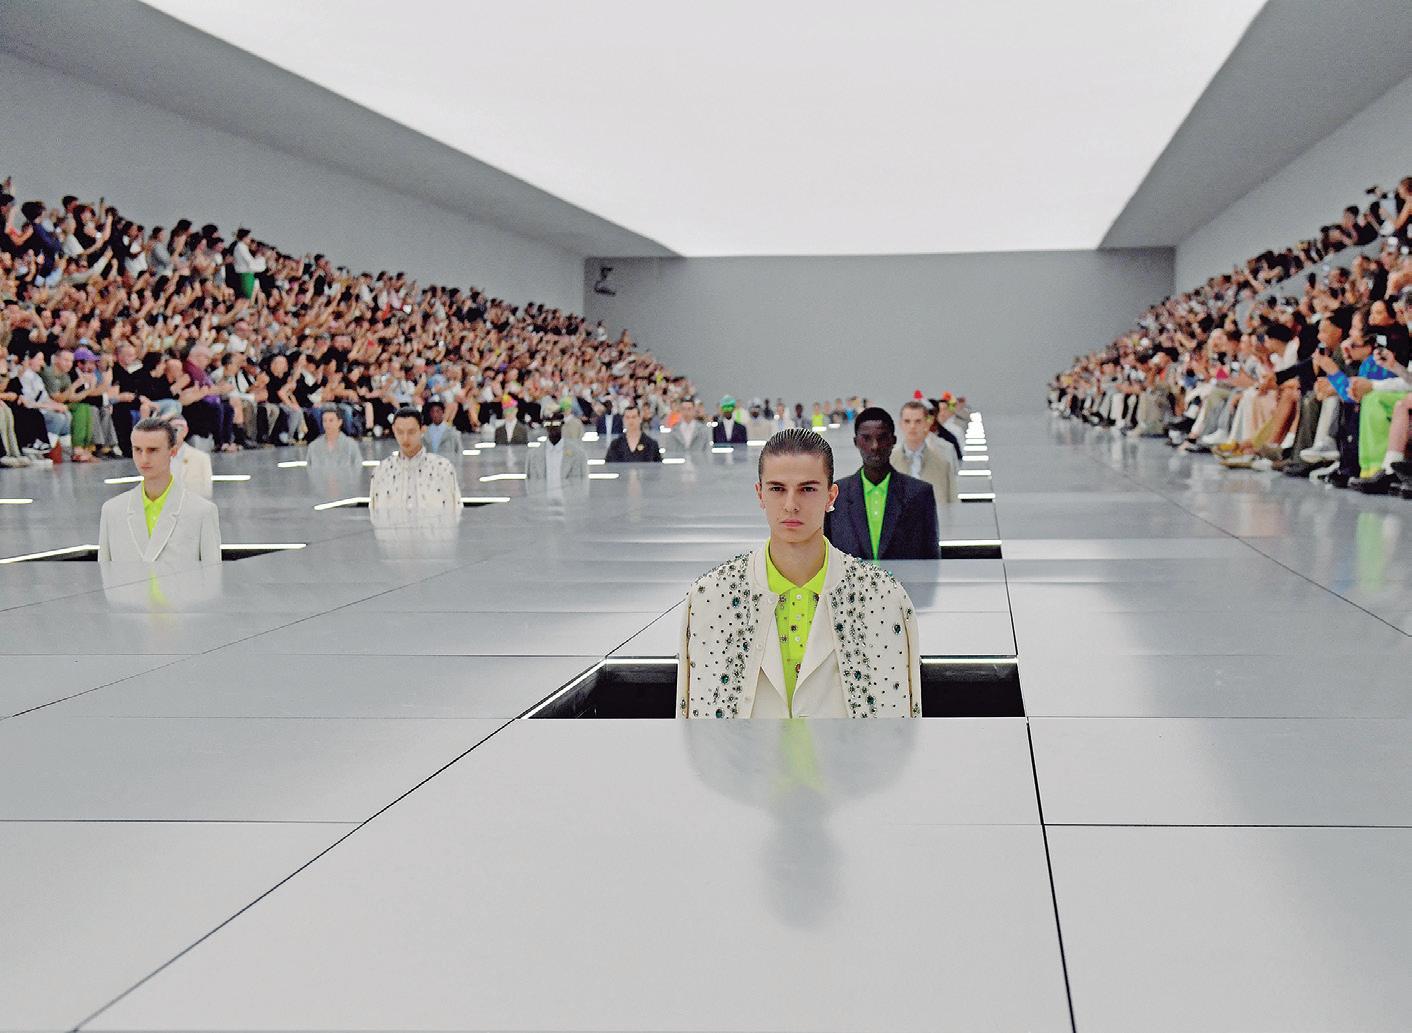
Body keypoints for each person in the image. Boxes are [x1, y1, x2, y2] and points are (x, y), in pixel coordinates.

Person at [676, 428, 922, 719]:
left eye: (807, 489)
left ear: (831, 496)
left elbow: (901, 727)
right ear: (760, 494)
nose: (791, 505)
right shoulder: (710, 598)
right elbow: (694, 728)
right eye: (777, 489)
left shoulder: (884, 599)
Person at [97, 417, 222, 565]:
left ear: (173, 452)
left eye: (153, 450)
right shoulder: (112, 511)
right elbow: (105, 571)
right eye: (138, 450)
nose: (144, 459)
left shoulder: (202, 512)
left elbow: (212, 575)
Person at [825, 407, 939, 560]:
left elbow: (931, 560)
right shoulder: (837, 496)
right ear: (856, 442)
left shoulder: (920, 494)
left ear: (893, 441)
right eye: (866, 438)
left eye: (882, 438)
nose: (875, 446)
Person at [368, 406, 461, 527]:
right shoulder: (381, 471)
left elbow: (455, 511)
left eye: (411, 432)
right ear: (393, 430)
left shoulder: (443, 468)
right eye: (400, 432)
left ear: (421, 430)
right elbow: (375, 516)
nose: (405, 438)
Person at [891, 399, 958, 504]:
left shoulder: (943, 465)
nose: (912, 426)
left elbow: (953, 503)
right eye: (907, 421)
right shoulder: (887, 463)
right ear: (900, 424)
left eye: (918, 421)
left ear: (927, 423)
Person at [525, 411, 589, 482]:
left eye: (556, 423)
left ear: (562, 424)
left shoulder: (578, 454)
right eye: (548, 423)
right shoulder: (532, 456)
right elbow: (529, 483)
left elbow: (584, 483)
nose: (552, 427)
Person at [167, 415, 213, 500]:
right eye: (172, 429)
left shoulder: (202, 458)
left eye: (179, 428)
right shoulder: (157, 458)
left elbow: (207, 492)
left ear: (186, 431)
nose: (176, 433)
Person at [306, 406, 363, 471]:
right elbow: (310, 469)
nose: (327, 424)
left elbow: (357, 467)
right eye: (324, 421)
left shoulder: (351, 445)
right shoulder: (313, 446)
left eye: (331, 420)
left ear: (339, 422)